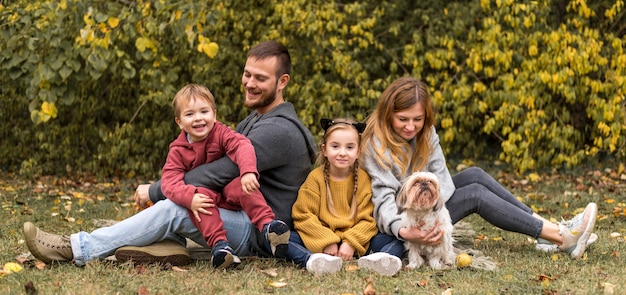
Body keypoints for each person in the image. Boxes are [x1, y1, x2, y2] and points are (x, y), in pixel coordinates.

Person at [23, 40, 318, 267]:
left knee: (172, 208)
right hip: (235, 212)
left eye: (260, 78)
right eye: (247, 74)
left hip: (259, 232)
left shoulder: (278, 130)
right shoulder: (256, 118)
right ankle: (164, 243)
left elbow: (217, 172)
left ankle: (77, 248)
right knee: (177, 205)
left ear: (282, 82)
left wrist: (156, 189)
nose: (250, 84)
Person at [360, 76, 598, 260]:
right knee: (475, 194)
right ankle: (561, 238)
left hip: (427, 206)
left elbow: (443, 180)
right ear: (388, 113)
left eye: (418, 119)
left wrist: (429, 201)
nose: (411, 126)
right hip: (402, 218)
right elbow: (382, 199)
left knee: (474, 174)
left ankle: (549, 232)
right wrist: (405, 230)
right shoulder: (375, 144)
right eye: (403, 119)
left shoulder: (427, 133)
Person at [158, 83, 290, 269]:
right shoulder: (178, 150)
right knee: (201, 200)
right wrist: (189, 198)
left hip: (229, 191)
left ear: (214, 114)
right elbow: (169, 182)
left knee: (242, 186)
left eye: (204, 111)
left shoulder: (221, 132)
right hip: (206, 196)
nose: (198, 119)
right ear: (179, 121)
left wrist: (248, 171)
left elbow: (241, 145)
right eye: (190, 114)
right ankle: (221, 246)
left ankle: (269, 226)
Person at [285, 118, 404, 276]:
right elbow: (303, 215)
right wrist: (327, 241)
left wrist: (350, 243)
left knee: (399, 237)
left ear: (358, 152)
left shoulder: (363, 179)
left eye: (349, 147)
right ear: (325, 149)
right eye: (335, 146)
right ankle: (313, 260)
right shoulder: (315, 178)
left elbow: (369, 219)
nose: (342, 152)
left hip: (357, 242)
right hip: (322, 243)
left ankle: (381, 259)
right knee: (284, 239)